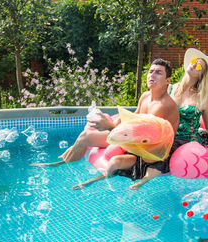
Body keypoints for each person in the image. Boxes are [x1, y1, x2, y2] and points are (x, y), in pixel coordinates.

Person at [68, 59, 179, 190]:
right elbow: (136, 115)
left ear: (167, 81)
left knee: (115, 162)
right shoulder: (145, 96)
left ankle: (94, 181)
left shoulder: (164, 105)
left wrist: (110, 127)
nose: (152, 75)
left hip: (150, 151)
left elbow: (142, 136)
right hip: (136, 142)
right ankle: (63, 163)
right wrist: (116, 122)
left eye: (159, 73)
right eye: (151, 71)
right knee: (84, 136)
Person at [169, 48, 208, 147]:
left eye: (199, 66)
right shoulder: (170, 88)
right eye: (193, 61)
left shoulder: (204, 98)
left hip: (189, 144)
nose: (194, 65)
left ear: (201, 76)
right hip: (167, 138)